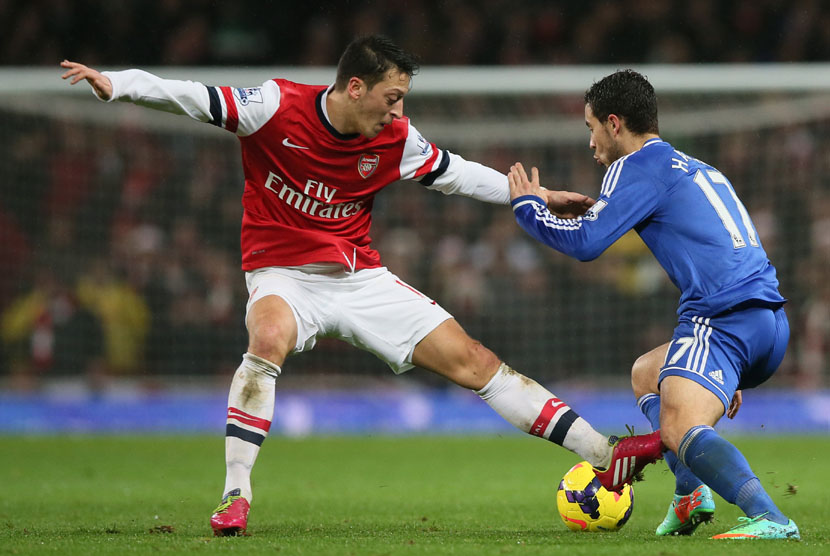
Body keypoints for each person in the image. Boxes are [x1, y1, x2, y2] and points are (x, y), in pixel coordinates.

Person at [60, 36, 664, 537]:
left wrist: (531, 195)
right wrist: (119, 82)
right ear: (355, 87)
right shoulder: (274, 105)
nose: (398, 113)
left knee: (475, 361)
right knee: (266, 337)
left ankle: (604, 454)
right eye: (392, 98)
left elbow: (454, 175)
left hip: (358, 276)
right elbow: (194, 98)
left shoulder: (396, 139)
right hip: (282, 274)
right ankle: (234, 495)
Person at [507, 69, 800, 541]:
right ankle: (689, 496)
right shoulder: (696, 167)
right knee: (648, 373)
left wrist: (527, 208)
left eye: (591, 128)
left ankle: (771, 518)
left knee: (678, 426)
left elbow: (585, 244)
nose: (591, 143)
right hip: (766, 321)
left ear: (614, 123)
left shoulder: (634, 167)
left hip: (725, 321)